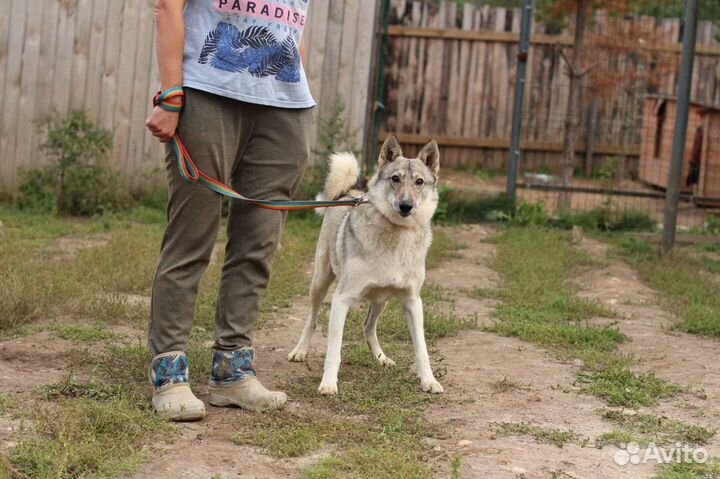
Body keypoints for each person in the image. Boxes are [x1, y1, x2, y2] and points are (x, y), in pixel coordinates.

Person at [145, 0, 315, 421]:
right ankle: (169, 373)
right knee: (192, 238)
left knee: (259, 243)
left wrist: (294, 93)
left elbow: (294, 25)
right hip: (207, 93)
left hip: (284, 106)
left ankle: (231, 372)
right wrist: (170, 94)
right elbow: (168, 5)